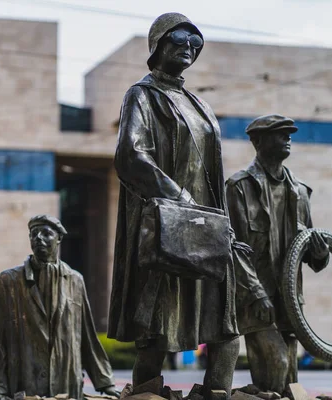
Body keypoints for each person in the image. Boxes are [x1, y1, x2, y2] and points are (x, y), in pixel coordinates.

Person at [108, 12, 242, 399]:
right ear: (158, 46)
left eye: (194, 43)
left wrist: (225, 226)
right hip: (170, 223)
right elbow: (131, 156)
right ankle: (146, 392)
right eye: (179, 40)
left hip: (208, 227)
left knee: (225, 323)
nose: (188, 47)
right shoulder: (142, 95)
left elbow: (213, 174)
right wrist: (179, 198)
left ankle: (217, 392)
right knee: (158, 328)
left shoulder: (198, 103)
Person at [226, 114, 330, 395]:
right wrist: (255, 292)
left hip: (290, 302)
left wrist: (320, 255)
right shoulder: (239, 187)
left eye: (289, 133)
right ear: (257, 141)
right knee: (277, 363)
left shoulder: (301, 191)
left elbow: (310, 255)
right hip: (255, 297)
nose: (288, 138)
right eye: (279, 133)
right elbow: (232, 248)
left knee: (290, 381)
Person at [0, 215, 119, 400]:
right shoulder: (8, 281)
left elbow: (87, 337)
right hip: (25, 383)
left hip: (66, 383)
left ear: (59, 239)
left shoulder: (75, 280)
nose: (38, 238)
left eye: (46, 233)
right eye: (33, 234)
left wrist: (106, 383)